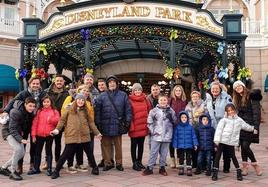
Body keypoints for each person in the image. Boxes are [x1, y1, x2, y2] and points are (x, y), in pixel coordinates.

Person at [50, 93, 101, 179]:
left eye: (82, 100)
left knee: (89, 153)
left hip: (84, 135)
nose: (80, 101)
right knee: (65, 154)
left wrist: (97, 133)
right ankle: (56, 171)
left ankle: (95, 168)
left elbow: (91, 122)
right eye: (79, 99)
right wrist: (57, 130)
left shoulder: (85, 110)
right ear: (75, 100)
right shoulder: (69, 109)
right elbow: (62, 120)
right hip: (72, 135)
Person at [0, 77, 46, 174]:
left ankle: (32, 164)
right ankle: (19, 166)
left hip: (35, 122)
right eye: (34, 83)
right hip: (24, 123)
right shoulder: (24, 93)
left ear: (40, 85)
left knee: (34, 144)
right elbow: (13, 101)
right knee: (22, 144)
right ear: (30, 84)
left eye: (37, 83)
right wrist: (5, 111)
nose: (35, 85)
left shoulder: (42, 94)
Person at [95, 75, 132, 171]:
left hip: (117, 124)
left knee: (118, 145)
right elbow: (98, 111)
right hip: (105, 124)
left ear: (116, 84)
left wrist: (128, 120)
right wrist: (98, 123)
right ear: (107, 85)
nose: (112, 84)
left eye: (113, 82)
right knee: (106, 145)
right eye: (110, 82)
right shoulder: (102, 96)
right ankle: (108, 163)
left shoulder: (123, 95)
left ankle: (119, 163)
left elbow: (128, 109)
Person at [212, 103, 257, 181]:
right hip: (222, 140)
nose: (230, 112)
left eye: (232, 110)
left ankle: (238, 172)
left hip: (231, 142)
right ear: (226, 112)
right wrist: (217, 140)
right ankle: (215, 172)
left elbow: (246, 126)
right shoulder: (224, 120)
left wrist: (253, 129)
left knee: (233, 156)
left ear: (235, 110)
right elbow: (219, 130)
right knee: (218, 156)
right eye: (228, 111)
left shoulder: (239, 120)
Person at [0, 97, 36, 180]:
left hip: (17, 133)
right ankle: (13, 171)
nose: (32, 108)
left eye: (34, 106)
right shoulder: (15, 112)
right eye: (30, 106)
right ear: (25, 104)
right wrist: (20, 139)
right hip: (8, 132)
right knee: (18, 149)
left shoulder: (30, 112)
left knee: (21, 153)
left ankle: (4, 167)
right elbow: (12, 129)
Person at [233, 80, 263, 176]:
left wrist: (256, 127)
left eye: (239, 86)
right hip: (241, 125)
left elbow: (256, 113)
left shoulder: (252, 96)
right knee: (243, 147)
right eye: (236, 87)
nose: (238, 88)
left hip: (250, 125)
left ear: (243, 86)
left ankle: (255, 164)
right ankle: (245, 167)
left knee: (246, 146)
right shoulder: (237, 98)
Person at [62, 84, 94, 173]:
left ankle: (79, 163)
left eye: (87, 91)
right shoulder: (70, 98)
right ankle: (70, 165)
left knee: (80, 147)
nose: (85, 92)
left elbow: (90, 115)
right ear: (78, 91)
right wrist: (67, 125)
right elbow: (63, 112)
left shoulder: (88, 101)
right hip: (71, 128)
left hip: (83, 128)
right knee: (71, 147)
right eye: (83, 90)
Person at [142, 94, 176, 176]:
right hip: (156, 135)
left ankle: (162, 167)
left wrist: (171, 118)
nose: (163, 102)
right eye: (161, 100)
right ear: (158, 101)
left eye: (164, 100)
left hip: (167, 135)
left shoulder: (171, 111)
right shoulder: (153, 111)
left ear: (167, 101)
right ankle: (150, 167)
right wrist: (153, 131)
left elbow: (175, 121)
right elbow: (149, 122)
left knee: (164, 153)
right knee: (153, 152)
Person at [27, 95, 60, 176]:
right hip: (39, 134)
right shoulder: (39, 111)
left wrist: (51, 120)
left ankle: (49, 168)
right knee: (37, 151)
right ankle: (36, 168)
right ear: (42, 103)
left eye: (47, 102)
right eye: (44, 102)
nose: (46, 103)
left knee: (48, 151)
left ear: (51, 102)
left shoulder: (54, 111)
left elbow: (58, 121)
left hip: (49, 134)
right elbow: (35, 123)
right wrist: (33, 135)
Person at [205, 81, 232, 173]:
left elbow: (231, 109)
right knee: (216, 147)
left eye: (217, 88)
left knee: (226, 147)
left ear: (220, 89)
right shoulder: (208, 99)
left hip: (224, 125)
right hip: (213, 126)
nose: (215, 90)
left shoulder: (226, 97)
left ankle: (226, 166)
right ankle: (215, 166)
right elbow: (206, 111)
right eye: (213, 89)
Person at [44, 74, 69, 170]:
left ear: (63, 82)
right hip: (49, 121)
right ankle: (47, 161)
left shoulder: (67, 93)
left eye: (61, 81)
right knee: (48, 143)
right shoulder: (47, 92)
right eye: (57, 80)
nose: (59, 82)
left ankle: (58, 161)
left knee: (58, 143)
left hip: (60, 121)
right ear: (54, 81)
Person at [128, 83, 151, 171]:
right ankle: (134, 163)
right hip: (134, 126)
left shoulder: (145, 99)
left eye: (139, 90)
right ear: (133, 91)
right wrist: (131, 126)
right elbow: (129, 114)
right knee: (134, 145)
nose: (137, 91)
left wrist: (148, 124)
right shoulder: (130, 100)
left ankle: (139, 161)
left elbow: (150, 112)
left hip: (143, 126)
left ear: (141, 91)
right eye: (136, 90)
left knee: (141, 145)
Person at [185, 91, 207, 169]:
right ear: (191, 98)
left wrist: (200, 115)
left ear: (199, 97)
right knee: (194, 146)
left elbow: (206, 115)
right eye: (193, 96)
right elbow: (186, 117)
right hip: (191, 128)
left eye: (196, 96)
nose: (195, 98)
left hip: (201, 128)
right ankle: (194, 163)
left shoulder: (203, 105)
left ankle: (202, 164)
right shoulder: (188, 106)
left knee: (201, 145)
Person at [172, 111, 198, 176]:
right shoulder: (178, 127)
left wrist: (195, 144)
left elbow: (193, 136)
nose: (184, 118)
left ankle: (189, 168)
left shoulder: (190, 127)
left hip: (189, 146)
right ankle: (181, 168)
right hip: (180, 146)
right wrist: (175, 145)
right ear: (180, 118)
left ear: (187, 118)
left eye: (185, 117)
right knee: (181, 157)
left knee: (188, 157)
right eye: (182, 117)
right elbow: (175, 137)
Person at [168, 85, 187, 168]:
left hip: (181, 125)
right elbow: (167, 111)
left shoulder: (184, 101)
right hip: (172, 125)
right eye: (176, 91)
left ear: (182, 92)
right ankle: (172, 159)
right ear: (174, 92)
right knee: (171, 143)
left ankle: (179, 159)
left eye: (179, 90)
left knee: (180, 143)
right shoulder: (171, 100)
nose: (178, 92)